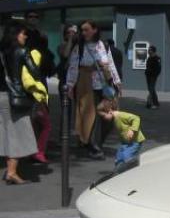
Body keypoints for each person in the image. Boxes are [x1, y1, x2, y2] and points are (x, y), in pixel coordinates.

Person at [66, 20, 121, 160]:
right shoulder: (79, 46)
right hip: (86, 82)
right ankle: (94, 146)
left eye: (86, 29)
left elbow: (110, 64)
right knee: (90, 116)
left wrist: (117, 82)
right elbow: (73, 66)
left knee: (110, 114)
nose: (84, 33)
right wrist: (70, 85)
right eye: (82, 30)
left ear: (95, 30)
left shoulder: (103, 45)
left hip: (104, 84)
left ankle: (95, 142)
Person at [0, 22, 39, 185]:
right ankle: (11, 172)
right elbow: (35, 71)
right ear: (16, 35)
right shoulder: (22, 51)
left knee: (6, 132)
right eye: (23, 34)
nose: (25, 36)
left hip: (1, 95)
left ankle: (10, 170)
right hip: (14, 97)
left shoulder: (2, 52)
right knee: (18, 133)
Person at [26, 30, 55, 164]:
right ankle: (39, 151)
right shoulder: (40, 54)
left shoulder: (27, 52)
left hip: (33, 93)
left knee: (35, 123)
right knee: (45, 124)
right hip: (38, 93)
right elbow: (49, 71)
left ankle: (33, 151)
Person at [96, 99, 145, 170]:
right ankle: (118, 171)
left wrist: (132, 130)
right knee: (119, 158)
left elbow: (136, 118)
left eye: (104, 116)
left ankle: (128, 172)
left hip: (135, 141)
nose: (103, 118)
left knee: (126, 157)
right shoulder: (114, 119)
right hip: (126, 142)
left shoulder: (121, 115)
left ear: (109, 111)